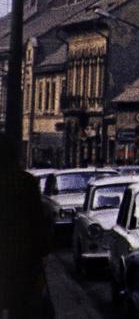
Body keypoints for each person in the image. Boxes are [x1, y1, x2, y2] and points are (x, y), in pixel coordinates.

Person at [0, 136, 52, 317]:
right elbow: (37, 219)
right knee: (20, 306)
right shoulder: (26, 182)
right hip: (23, 258)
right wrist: (43, 249)